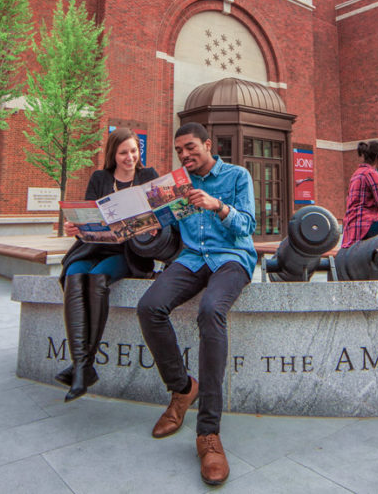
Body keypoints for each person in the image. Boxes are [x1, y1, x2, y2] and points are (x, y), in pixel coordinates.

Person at [136, 122, 255, 486]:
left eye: (190, 148)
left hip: (231, 258)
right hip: (190, 259)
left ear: (207, 145)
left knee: (210, 311)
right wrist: (135, 225)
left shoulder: (237, 176)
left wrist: (217, 205)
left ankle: (208, 433)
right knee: (149, 307)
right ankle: (182, 388)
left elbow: (248, 225)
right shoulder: (176, 185)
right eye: (179, 151)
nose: (185, 155)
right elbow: (159, 227)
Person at [57, 128, 159, 402]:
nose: (130, 157)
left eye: (134, 151)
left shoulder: (148, 177)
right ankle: (83, 366)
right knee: (75, 274)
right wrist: (74, 226)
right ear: (113, 154)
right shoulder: (100, 178)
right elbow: (87, 216)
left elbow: (161, 217)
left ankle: (82, 369)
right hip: (93, 246)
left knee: (97, 277)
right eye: (123, 152)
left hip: (129, 252)